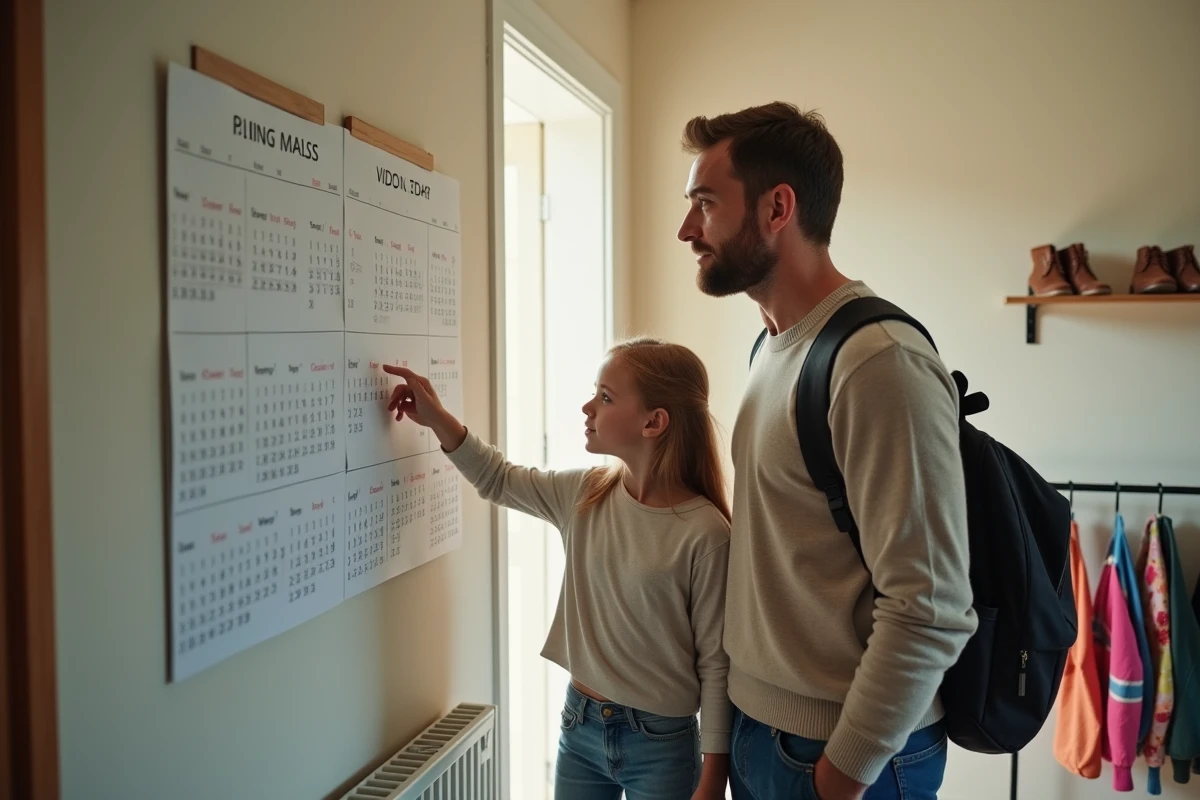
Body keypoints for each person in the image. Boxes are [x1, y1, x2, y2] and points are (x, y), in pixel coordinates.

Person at [675, 102, 978, 800]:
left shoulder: (878, 362)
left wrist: (839, 776)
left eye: (705, 204)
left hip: (840, 759)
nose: (687, 230)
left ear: (777, 207)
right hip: (766, 738)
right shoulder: (773, 344)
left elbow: (930, 604)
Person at [383, 337, 733, 800]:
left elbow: (716, 665)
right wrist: (437, 419)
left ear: (654, 422)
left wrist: (713, 779)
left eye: (606, 397)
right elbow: (499, 479)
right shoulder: (586, 494)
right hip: (580, 724)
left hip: (662, 744)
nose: (588, 407)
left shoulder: (706, 533)